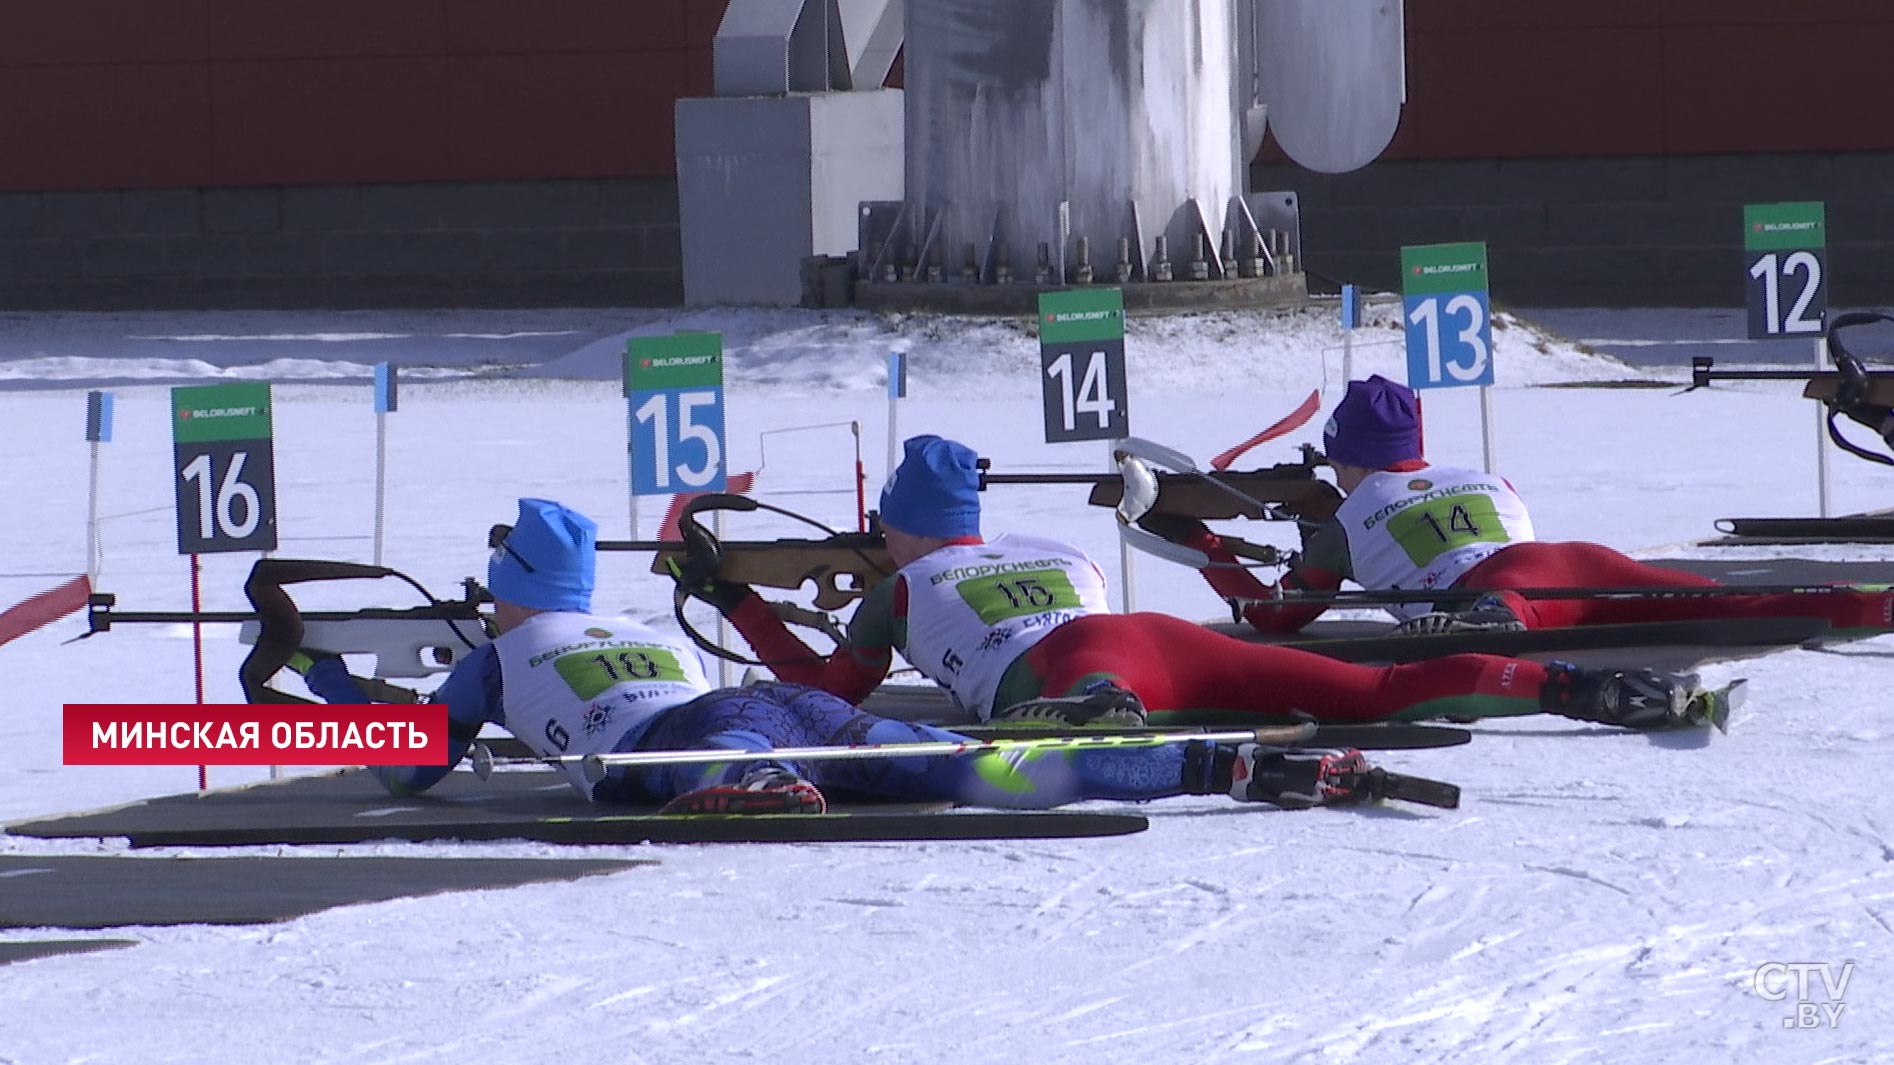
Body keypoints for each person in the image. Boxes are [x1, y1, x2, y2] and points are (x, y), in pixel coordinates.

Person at [292, 497, 1416, 814]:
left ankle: (751, 789)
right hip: (788, 704)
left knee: (708, 755)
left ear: (509, 600)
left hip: (706, 732)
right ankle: (1220, 767)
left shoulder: (497, 661)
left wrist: (333, 687)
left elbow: (407, 769)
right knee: (967, 764)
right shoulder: (627, 626)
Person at [674, 435, 1717, 732]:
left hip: (1086, 663)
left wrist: (738, 602)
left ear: (899, 527)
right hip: (1149, 633)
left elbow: (832, 692)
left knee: (1091, 685)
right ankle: (1565, 687)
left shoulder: (895, 593)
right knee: (1370, 694)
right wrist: (1197, 537)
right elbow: (1274, 612)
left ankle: (1096, 714)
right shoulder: (1056, 549)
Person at [1135, 375, 1894, 637]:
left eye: (1336, 456)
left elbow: (1278, 616)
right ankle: (1869, 606)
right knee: (1729, 602)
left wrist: (1203, 544)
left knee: (1505, 609)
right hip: (1571, 561)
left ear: (1350, 457)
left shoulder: (1343, 515)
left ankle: (1493, 619)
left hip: (1503, 590)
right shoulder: (1482, 473)